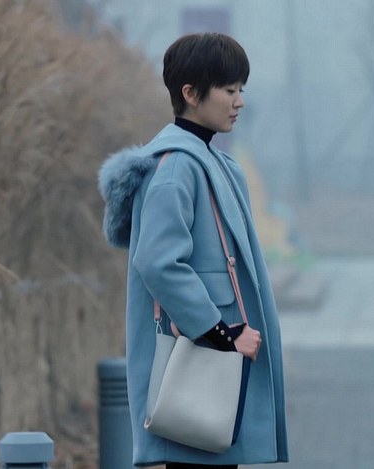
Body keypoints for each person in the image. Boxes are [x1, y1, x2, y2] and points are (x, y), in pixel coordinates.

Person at [98, 33, 287, 468]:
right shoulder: (177, 167)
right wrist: (222, 333)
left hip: (211, 366)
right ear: (190, 93)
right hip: (201, 361)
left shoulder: (207, 160)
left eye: (241, 89)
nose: (239, 101)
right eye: (229, 90)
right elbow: (158, 263)